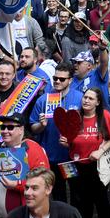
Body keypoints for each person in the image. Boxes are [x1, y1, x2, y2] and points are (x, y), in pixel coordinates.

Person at [61, 88, 110, 218]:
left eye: (91, 98)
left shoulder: (104, 116)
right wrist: (65, 142)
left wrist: (101, 150)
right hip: (77, 165)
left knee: (101, 200)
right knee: (82, 200)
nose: (86, 100)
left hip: (97, 165)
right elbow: (69, 140)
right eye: (85, 97)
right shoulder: (75, 116)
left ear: (98, 102)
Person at [29, 62, 84, 203]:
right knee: (58, 196)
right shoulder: (43, 100)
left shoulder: (80, 98)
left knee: (77, 194)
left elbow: (87, 125)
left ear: (70, 80)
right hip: (51, 158)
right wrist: (41, 125)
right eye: (55, 78)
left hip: (72, 157)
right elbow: (32, 128)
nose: (57, 81)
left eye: (62, 79)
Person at [0, 112, 51, 218]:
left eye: (10, 127)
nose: (5, 131)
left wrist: (17, 184)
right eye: (3, 127)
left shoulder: (32, 148)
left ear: (21, 130)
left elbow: (44, 180)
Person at [4, 167, 88, 218]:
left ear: (48, 189)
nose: (27, 193)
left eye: (34, 188)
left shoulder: (69, 215)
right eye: (26, 188)